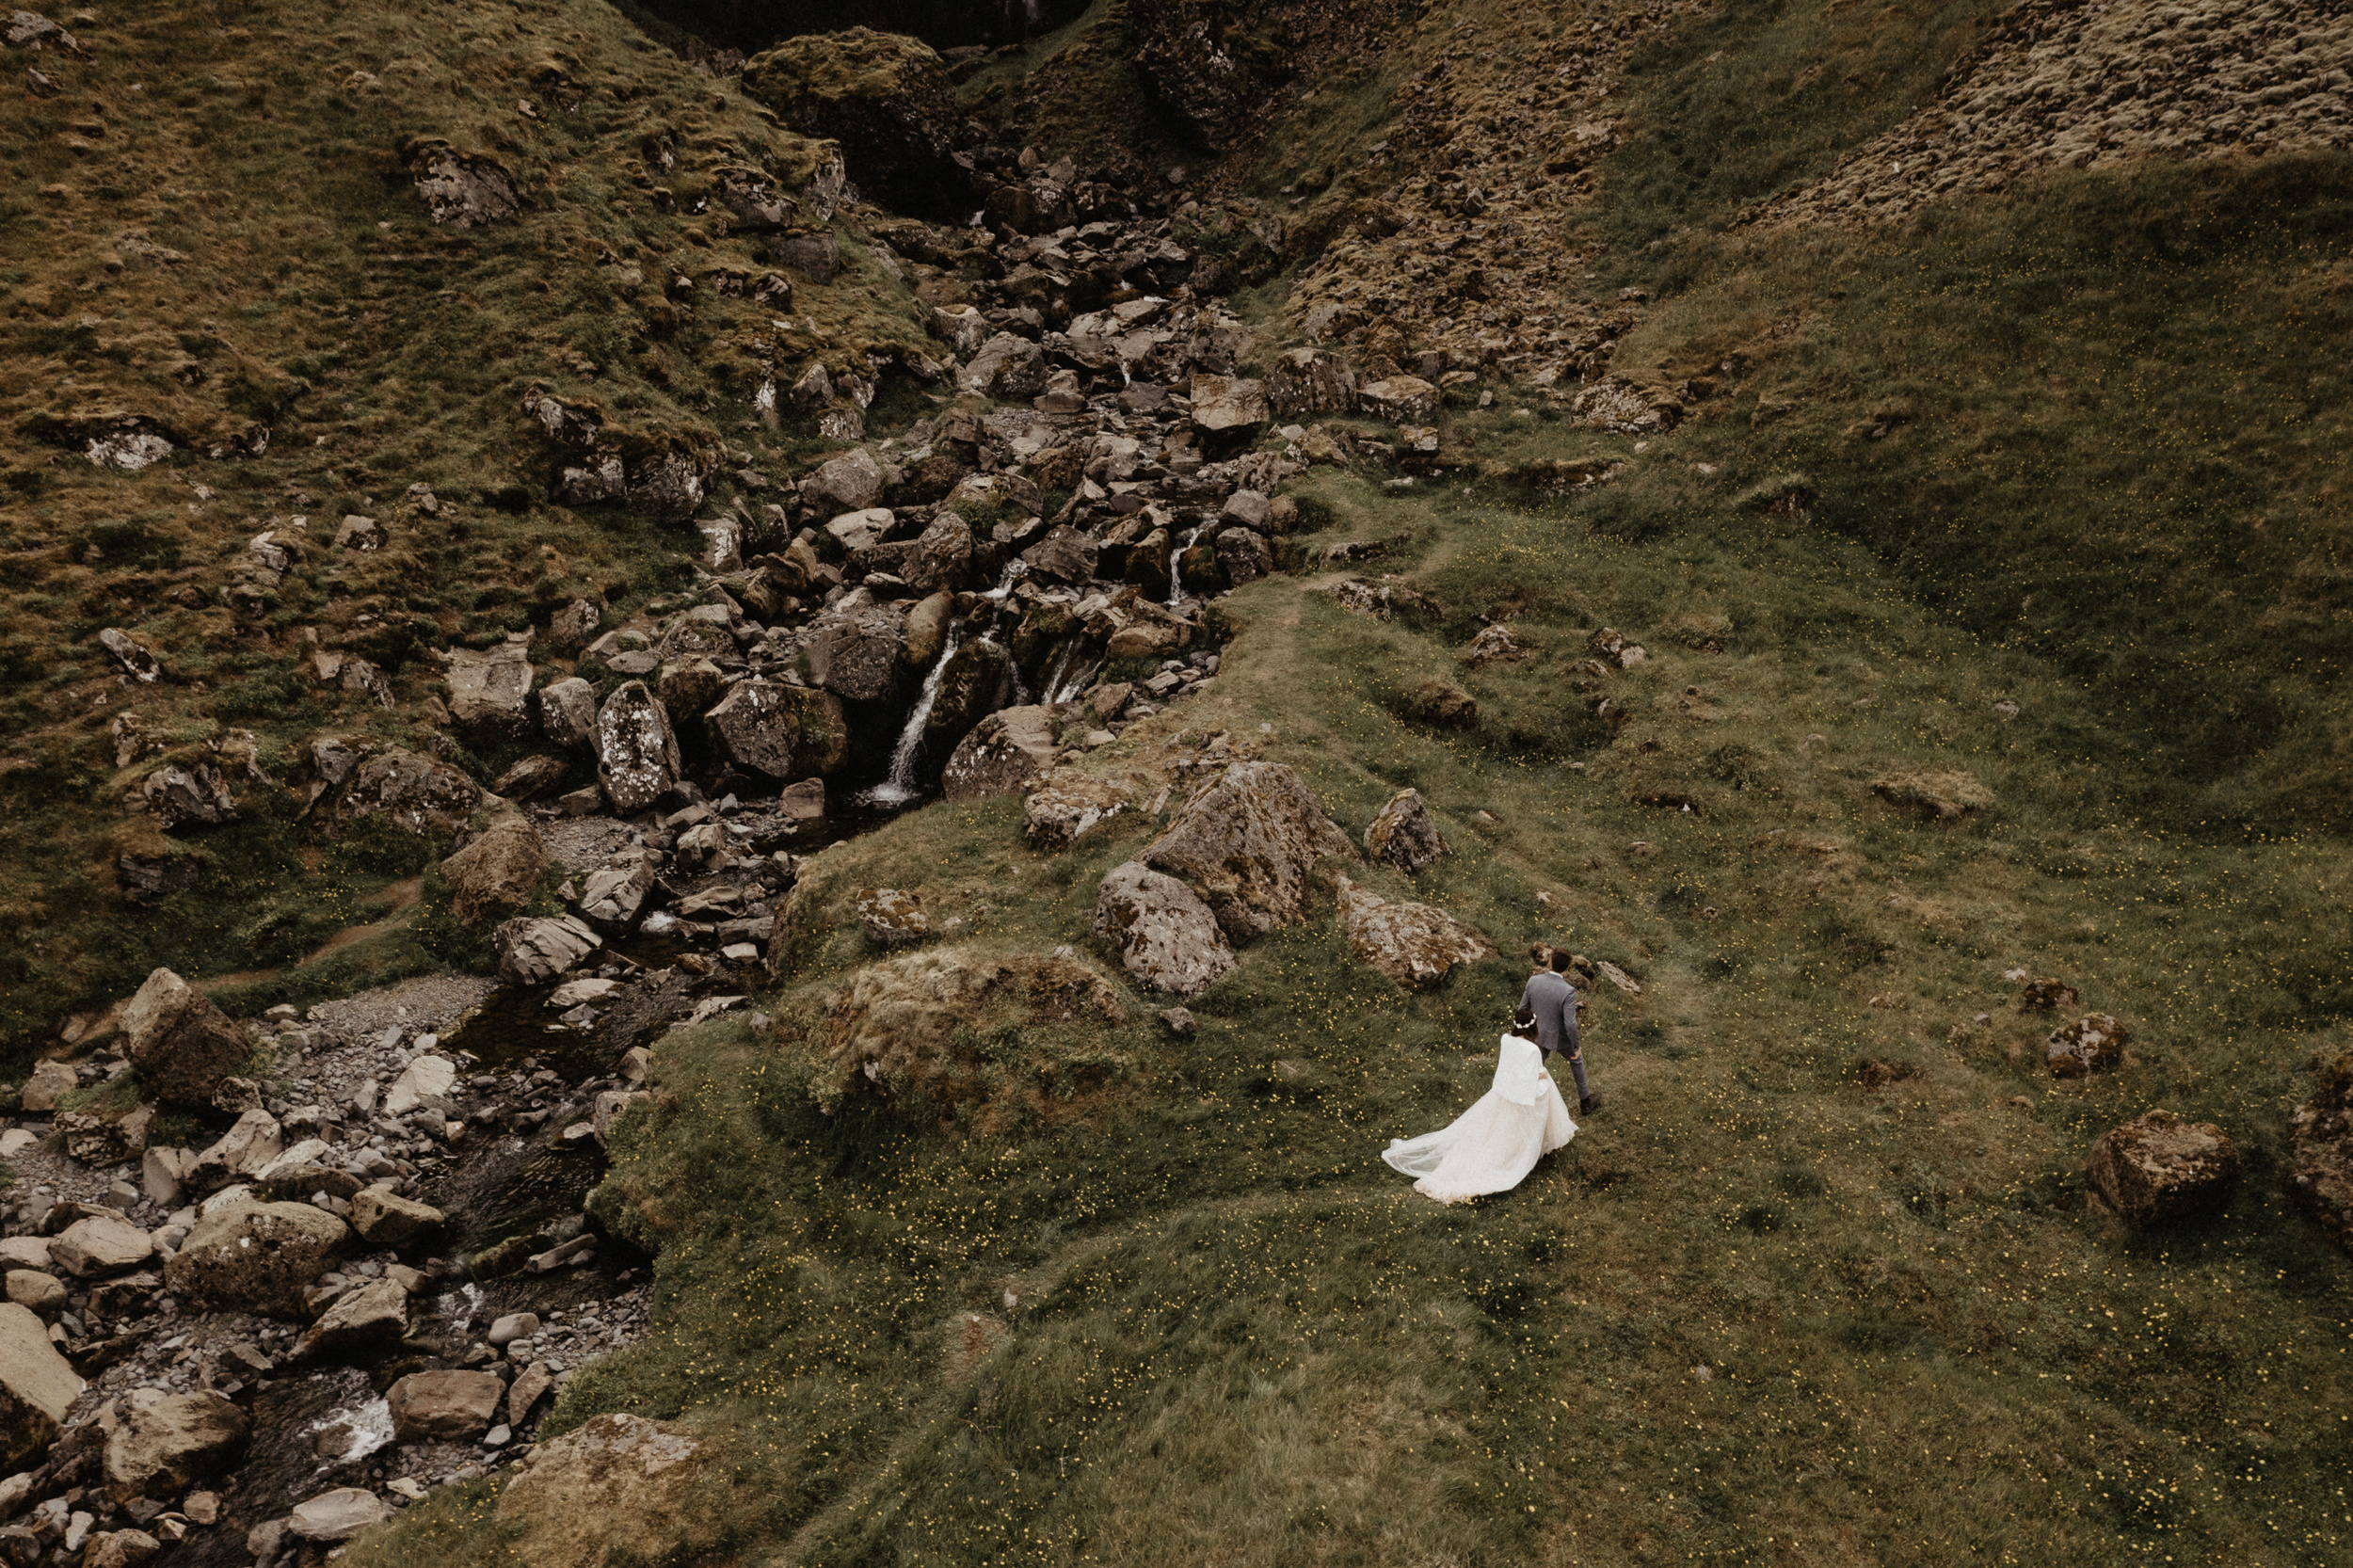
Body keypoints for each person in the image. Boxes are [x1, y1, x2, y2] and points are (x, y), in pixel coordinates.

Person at [1382, 1020, 1577, 1204]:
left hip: (1505, 1091)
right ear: (1532, 1028)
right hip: (1522, 1094)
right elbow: (1531, 1080)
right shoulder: (1533, 1050)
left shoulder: (1506, 1039)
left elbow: (1511, 1068)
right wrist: (1542, 1076)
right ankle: (1540, 1140)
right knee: (1547, 1082)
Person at [1520, 948, 1601, 1113]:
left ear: (1549, 962)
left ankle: (1523, 1099)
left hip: (1536, 1034)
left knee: (1535, 1066)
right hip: (1559, 1037)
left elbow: (1522, 1009)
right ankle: (1586, 1102)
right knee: (1576, 1061)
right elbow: (1570, 1023)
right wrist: (1576, 1047)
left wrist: (1523, 1032)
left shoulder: (1533, 981)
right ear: (1568, 967)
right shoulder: (1568, 991)